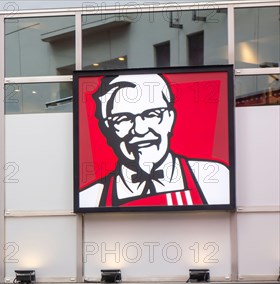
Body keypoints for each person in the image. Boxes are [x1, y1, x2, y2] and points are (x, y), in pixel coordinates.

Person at [79, 73, 230, 208]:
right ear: (107, 128)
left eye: (152, 114)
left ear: (170, 119)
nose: (140, 129)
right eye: (123, 118)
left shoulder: (213, 178)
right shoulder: (90, 197)